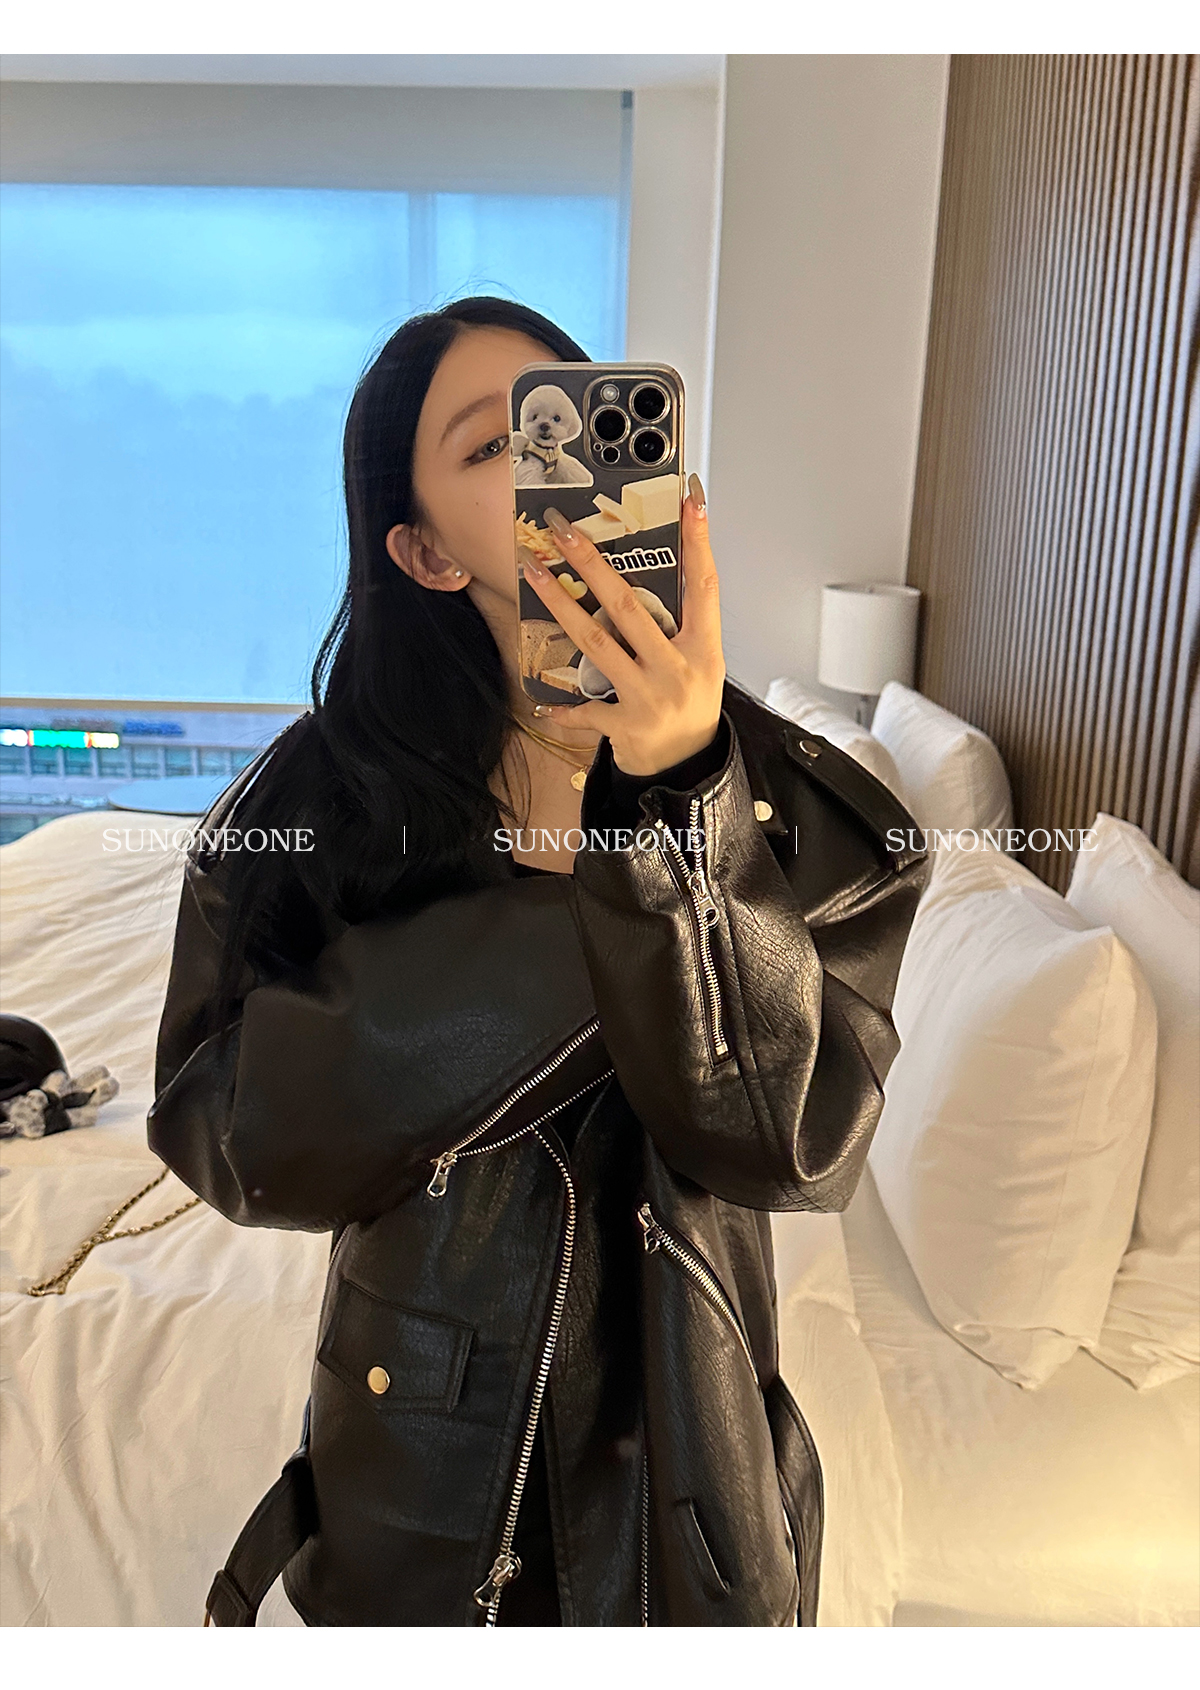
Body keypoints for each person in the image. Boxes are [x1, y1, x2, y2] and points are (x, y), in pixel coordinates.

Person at [148, 296, 927, 1628]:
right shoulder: (328, 796)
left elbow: (790, 1141)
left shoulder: (786, 807)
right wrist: (614, 906)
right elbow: (231, 1131)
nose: (550, 469)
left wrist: (681, 790)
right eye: (496, 443)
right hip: (420, 1456)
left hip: (692, 1455)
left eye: (568, 418)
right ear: (425, 552)